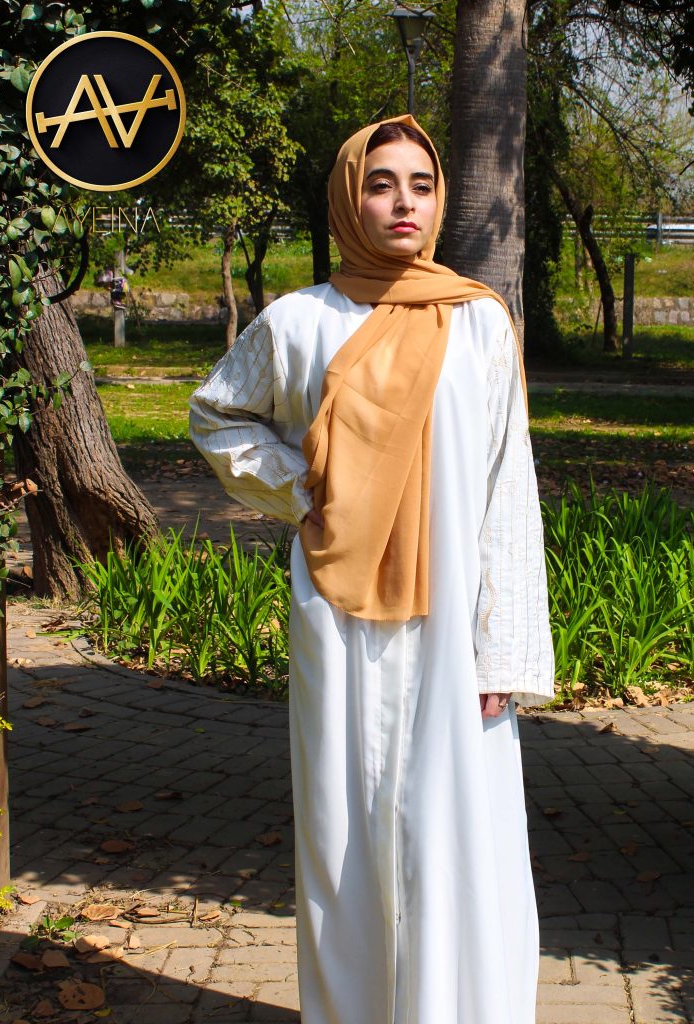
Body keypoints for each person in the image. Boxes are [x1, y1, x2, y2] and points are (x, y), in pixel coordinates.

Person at [189, 114, 555, 1024]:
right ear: (348, 198)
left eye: (420, 185)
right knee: (342, 829)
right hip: (336, 608)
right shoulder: (299, 321)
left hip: (453, 626)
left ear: (439, 201)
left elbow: (507, 487)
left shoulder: (477, 321)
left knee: (459, 834)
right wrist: (298, 487)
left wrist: (505, 651)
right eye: (380, 183)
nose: (402, 202)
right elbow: (216, 414)